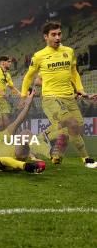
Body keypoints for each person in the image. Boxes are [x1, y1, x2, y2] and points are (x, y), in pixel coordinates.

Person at [20, 21, 96, 168]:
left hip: (69, 97)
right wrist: (23, 96)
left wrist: (81, 90)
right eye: (53, 35)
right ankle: (86, 159)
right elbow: (29, 77)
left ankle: (42, 138)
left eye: (59, 34)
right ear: (45, 37)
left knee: (76, 128)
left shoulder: (69, 51)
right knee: (71, 123)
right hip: (50, 98)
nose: (57, 37)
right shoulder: (39, 56)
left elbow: (74, 73)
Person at [0, 56, 21, 131]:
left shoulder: (7, 75)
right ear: (2, 63)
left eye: (10, 62)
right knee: (0, 122)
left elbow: (12, 87)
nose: (10, 63)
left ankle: (2, 139)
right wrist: (0, 91)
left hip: (2, 100)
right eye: (8, 62)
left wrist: (20, 94)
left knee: (6, 123)